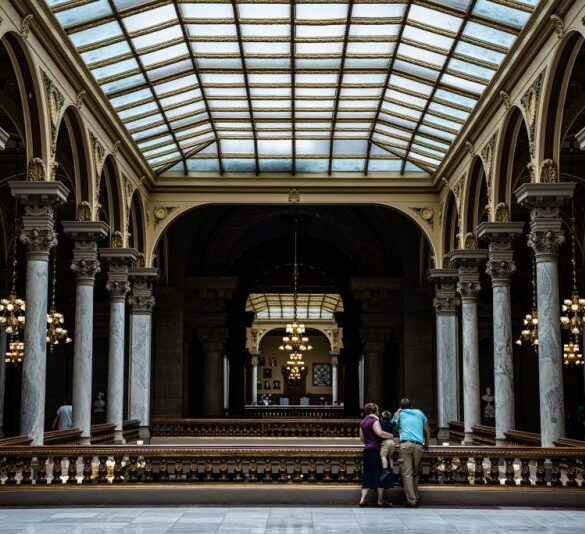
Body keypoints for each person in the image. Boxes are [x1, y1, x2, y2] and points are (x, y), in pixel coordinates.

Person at [391, 398, 430, 507]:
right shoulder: (420, 413)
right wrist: (426, 443)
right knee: (415, 473)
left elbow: (393, 428)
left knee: (407, 474)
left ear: (400, 407)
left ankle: (411, 501)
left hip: (405, 445)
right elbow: (427, 429)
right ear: (411, 406)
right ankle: (416, 497)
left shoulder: (399, 413)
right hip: (418, 445)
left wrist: (397, 415)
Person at [358, 402, 393, 507]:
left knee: (367, 474)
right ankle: (380, 501)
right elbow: (380, 433)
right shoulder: (375, 421)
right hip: (376, 449)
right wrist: (391, 436)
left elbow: (361, 438)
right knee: (379, 475)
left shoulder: (363, 422)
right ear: (376, 411)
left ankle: (362, 500)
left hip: (367, 449)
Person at [379, 410, 396, 484]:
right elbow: (396, 421)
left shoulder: (380, 423)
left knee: (383, 456)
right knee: (390, 457)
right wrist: (397, 415)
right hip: (392, 442)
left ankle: (385, 470)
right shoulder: (391, 423)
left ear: (382, 417)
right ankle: (391, 470)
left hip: (385, 442)